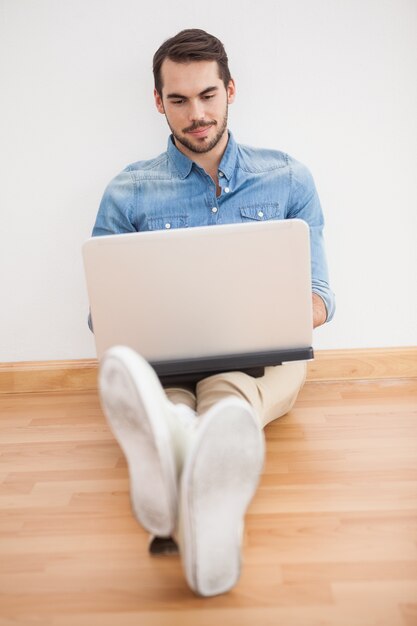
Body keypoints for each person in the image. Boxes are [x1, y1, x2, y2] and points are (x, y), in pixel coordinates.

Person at [91, 28, 335, 597]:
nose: (195, 114)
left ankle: (177, 452)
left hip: (261, 360)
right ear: (159, 101)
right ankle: (197, 477)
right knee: (167, 401)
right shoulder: (126, 192)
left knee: (227, 398)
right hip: (165, 360)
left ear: (230, 90)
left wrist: (269, 311)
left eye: (207, 95)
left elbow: (320, 297)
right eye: (178, 100)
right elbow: (103, 313)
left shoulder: (289, 178)